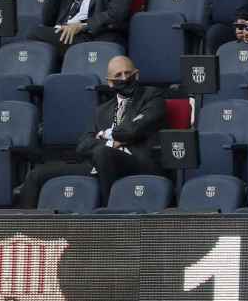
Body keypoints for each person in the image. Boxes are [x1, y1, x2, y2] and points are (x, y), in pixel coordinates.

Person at [18, 56, 168, 207]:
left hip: (136, 161)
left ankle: (106, 212)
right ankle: (21, 228)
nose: (124, 78)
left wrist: (105, 134)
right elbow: (83, 145)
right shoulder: (102, 110)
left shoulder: (152, 96)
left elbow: (133, 130)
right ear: (110, 82)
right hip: (98, 164)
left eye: (128, 73)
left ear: (137, 74)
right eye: (118, 75)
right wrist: (111, 142)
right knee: (37, 174)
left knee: (102, 152)